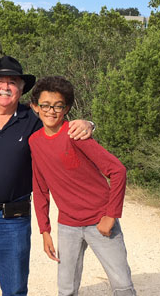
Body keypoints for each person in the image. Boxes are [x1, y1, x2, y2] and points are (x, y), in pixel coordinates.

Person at [0, 56, 94, 296]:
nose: (6, 86)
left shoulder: (33, 120)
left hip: (14, 216)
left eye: (13, 82)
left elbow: (62, 127)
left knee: (15, 288)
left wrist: (88, 123)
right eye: (0, 80)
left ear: (21, 90)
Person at [28, 76, 136, 296]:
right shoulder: (35, 141)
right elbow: (40, 188)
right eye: (45, 105)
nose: (51, 111)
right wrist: (45, 230)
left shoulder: (76, 135)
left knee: (122, 284)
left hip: (100, 221)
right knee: (66, 288)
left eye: (58, 106)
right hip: (68, 226)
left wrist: (111, 215)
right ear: (35, 107)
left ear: (66, 108)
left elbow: (118, 171)